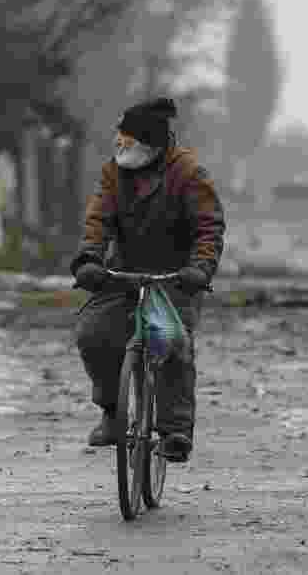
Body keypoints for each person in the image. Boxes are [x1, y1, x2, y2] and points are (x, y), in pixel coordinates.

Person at [70, 96, 225, 462]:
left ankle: (174, 431)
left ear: (154, 147)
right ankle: (112, 412)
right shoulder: (113, 173)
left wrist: (200, 269)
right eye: (119, 140)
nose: (122, 148)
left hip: (176, 276)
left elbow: (209, 228)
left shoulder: (188, 174)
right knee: (93, 333)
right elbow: (98, 220)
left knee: (170, 341)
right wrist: (90, 258)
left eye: (131, 143)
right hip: (123, 271)